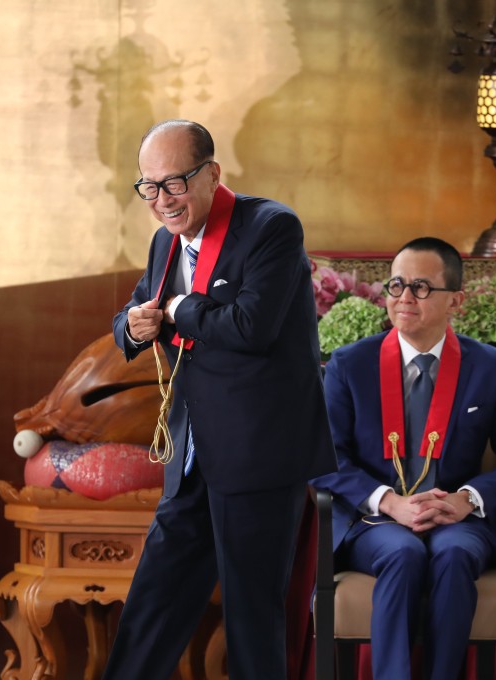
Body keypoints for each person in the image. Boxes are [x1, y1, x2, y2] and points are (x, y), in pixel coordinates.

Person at [103, 119, 336, 680]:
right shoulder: (166, 240)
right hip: (191, 454)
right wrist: (132, 328)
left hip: (259, 453)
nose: (162, 200)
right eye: (149, 187)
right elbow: (140, 309)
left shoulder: (270, 227)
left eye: (175, 183)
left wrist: (181, 310)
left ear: (211, 175)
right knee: (153, 603)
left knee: (252, 616)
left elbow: (253, 326)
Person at [310, 237, 496, 680]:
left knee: (455, 555)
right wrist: (389, 502)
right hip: (377, 520)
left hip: (458, 518)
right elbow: (325, 459)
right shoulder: (350, 364)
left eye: (420, 287)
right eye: (396, 285)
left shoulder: (491, 368)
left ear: (455, 299)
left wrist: (468, 499)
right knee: (402, 555)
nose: (403, 298)